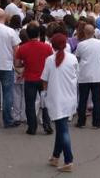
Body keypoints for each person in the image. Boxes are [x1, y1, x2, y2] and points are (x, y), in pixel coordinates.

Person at [42, 33, 78, 172]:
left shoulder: (50, 60)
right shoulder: (73, 58)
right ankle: (55, 156)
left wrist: (44, 94)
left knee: (62, 129)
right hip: (70, 97)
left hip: (56, 98)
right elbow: (76, 75)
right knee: (61, 127)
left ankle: (68, 160)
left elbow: (45, 80)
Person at [15, 23, 54, 135]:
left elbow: (17, 64)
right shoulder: (47, 47)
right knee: (45, 103)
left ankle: (32, 127)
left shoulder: (22, 48)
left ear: (27, 34)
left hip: (30, 78)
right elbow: (51, 62)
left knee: (30, 104)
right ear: (38, 34)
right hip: (44, 79)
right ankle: (47, 124)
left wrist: (24, 64)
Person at [75, 24, 100, 129]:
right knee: (96, 100)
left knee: (83, 99)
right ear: (94, 32)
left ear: (84, 32)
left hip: (84, 74)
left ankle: (81, 122)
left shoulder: (81, 44)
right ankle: (96, 122)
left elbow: (77, 57)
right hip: (97, 74)